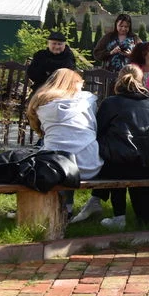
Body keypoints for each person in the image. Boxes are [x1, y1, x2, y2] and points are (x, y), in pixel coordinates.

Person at [92, 65, 149, 230]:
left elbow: (98, 130)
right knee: (127, 161)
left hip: (118, 163)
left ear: (119, 79)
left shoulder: (110, 102)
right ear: (142, 79)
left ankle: (118, 215)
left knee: (114, 155)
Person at [25, 68, 103, 215]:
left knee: (53, 148)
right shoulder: (87, 100)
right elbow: (93, 127)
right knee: (69, 151)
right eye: (80, 83)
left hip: (54, 166)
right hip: (90, 165)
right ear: (73, 83)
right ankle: (67, 206)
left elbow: (41, 130)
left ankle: (62, 207)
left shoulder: (41, 103)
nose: (82, 87)